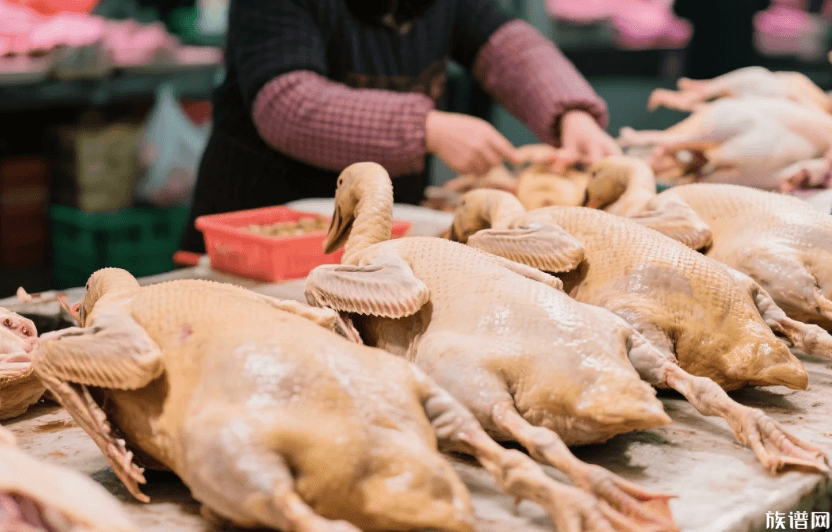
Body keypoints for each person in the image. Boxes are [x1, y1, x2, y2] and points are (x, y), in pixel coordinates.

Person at [179, 0, 621, 253]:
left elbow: (505, 45)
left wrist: (570, 113)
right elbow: (289, 106)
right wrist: (427, 128)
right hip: (257, 237)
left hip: (381, 238)